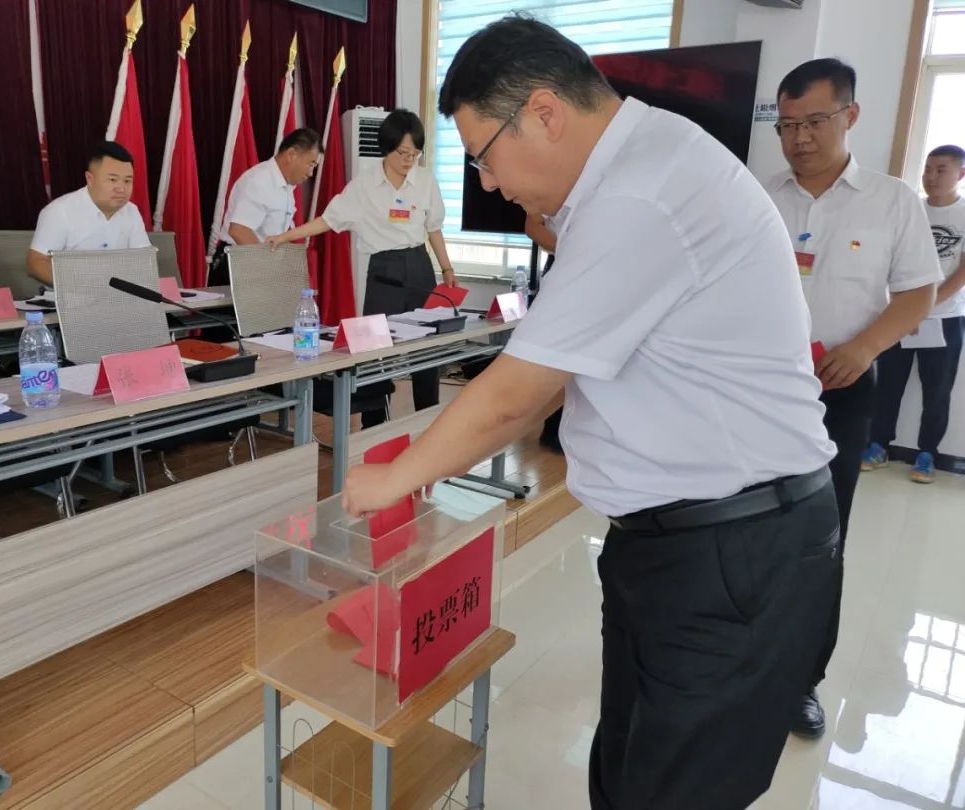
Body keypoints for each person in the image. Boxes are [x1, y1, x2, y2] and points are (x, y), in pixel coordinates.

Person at [342, 16, 840, 810]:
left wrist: (395, 476)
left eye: (485, 157)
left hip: (731, 550)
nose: (490, 184)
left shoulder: (643, 193)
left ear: (543, 112)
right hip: (678, 542)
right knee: (630, 773)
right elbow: (564, 369)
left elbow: (517, 394)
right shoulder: (638, 171)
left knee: (672, 791)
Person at [766, 58, 940, 739]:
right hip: (761, 390)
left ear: (851, 115)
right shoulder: (761, 195)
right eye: (787, 125)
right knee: (745, 526)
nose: (800, 137)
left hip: (839, 389)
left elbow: (918, 292)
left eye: (815, 121)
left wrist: (865, 348)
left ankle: (801, 680)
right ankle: (745, 663)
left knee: (821, 535)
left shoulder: (891, 200)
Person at [268, 109, 457, 427]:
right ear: (387, 147)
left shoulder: (425, 180)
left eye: (414, 153)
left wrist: (447, 268)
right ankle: (373, 425)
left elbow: (434, 227)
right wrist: (287, 236)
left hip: (419, 268)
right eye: (402, 153)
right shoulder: (365, 185)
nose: (409, 160)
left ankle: (428, 421)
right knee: (374, 351)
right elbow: (328, 220)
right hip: (383, 271)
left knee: (427, 349)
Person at [863, 144, 965, 483]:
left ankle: (926, 455)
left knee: (938, 390)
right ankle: (878, 446)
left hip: (945, 318)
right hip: (899, 316)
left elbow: (962, 273)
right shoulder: (912, 210)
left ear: (960, 173)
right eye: (928, 169)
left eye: (941, 170)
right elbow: (890, 261)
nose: (931, 176)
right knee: (888, 384)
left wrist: (924, 305)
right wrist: (903, 306)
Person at [26, 141, 150, 286]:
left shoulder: (131, 212)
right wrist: (79, 287)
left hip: (118, 296)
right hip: (69, 295)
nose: (121, 188)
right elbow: (36, 263)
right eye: (112, 179)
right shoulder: (59, 211)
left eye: (127, 181)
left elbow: (144, 261)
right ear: (90, 179)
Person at [208, 128, 321, 285]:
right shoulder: (260, 180)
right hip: (238, 265)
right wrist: (267, 266)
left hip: (258, 265)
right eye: (311, 164)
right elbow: (239, 230)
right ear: (291, 154)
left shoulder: (286, 187)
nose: (310, 173)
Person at [524, 211, 563, 454]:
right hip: (563, 264)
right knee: (555, 352)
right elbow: (532, 225)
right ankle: (553, 432)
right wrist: (574, 249)